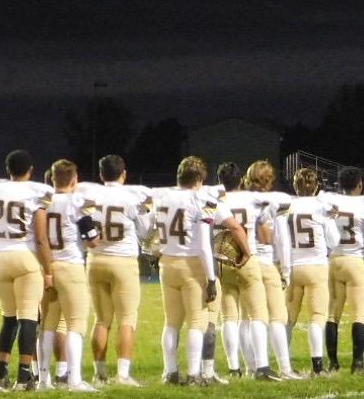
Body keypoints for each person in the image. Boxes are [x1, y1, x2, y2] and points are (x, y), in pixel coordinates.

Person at [151, 156, 250, 385]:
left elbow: (145, 228)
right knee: (197, 321)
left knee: (171, 322)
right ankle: (194, 374)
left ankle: (170, 372)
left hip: (167, 263)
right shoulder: (200, 199)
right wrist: (211, 278)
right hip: (192, 264)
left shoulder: (163, 197)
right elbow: (205, 244)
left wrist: (154, 250)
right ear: (198, 178)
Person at [77, 155, 151, 387]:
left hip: (96, 260)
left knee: (101, 320)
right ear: (124, 173)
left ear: (101, 175)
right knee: (127, 319)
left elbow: (81, 222)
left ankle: (99, 374)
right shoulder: (131, 197)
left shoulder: (91, 195)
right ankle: (122, 374)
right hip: (123, 261)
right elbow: (146, 230)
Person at [0, 150, 52, 390]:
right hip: (24, 255)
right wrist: (49, 268)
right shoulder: (37, 192)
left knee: (9, 318)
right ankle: (24, 377)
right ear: (30, 169)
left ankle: (0, 374)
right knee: (29, 318)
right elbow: (41, 238)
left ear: (7, 169)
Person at [212, 163, 282, 381]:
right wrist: (248, 252)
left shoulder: (215, 201)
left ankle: (234, 368)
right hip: (246, 258)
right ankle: (261, 367)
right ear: (241, 178)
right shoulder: (252, 199)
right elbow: (265, 233)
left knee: (229, 317)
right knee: (257, 315)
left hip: (222, 259)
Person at [37, 160, 100, 392]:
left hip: (48, 266)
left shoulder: (42, 202)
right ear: (74, 180)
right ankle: (74, 380)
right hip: (71, 266)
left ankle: (43, 380)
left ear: (53, 179)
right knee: (76, 323)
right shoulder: (76, 202)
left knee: (48, 324)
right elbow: (92, 240)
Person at [240, 160, 300, 380]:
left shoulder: (239, 198)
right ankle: (284, 368)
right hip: (265, 263)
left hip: (242, 263)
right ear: (269, 179)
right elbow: (279, 239)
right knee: (277, 316)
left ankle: (251, 367)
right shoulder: (274, 201)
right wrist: (285, 270)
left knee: (246, 318)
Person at [280, 167, 339, 377]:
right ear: (316, 186)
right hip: (316, 266)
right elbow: (334, 241)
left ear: (295, 185)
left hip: (293, 267)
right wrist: (330, 219)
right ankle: (317, 366)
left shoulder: (288, 205)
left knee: (288, 318)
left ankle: (284, 364)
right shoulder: (321, 206)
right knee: (317, 317)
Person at [321, 168, 364, 374]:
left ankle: (333, 363)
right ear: (360, 185)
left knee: (332, 314)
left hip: (334, 260)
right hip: (356, 261)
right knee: (360, 313)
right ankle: (357, 363)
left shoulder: (330, 202)